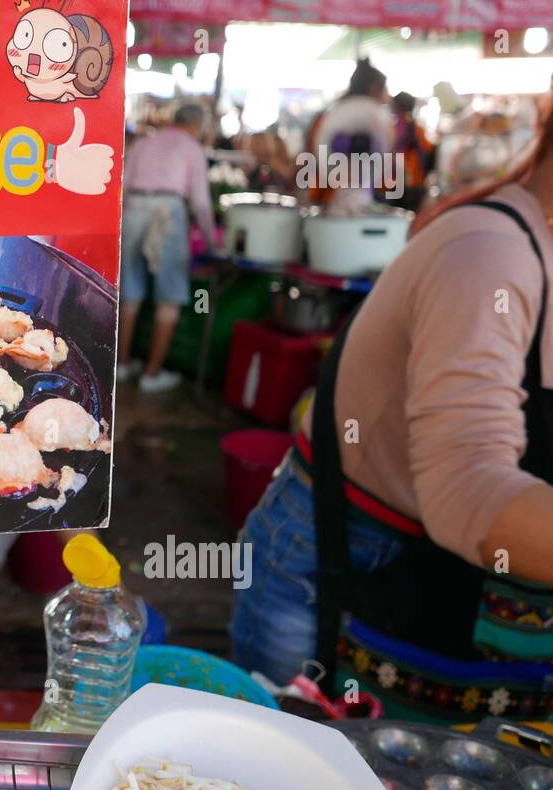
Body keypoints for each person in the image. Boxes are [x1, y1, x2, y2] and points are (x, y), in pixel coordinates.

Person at [230, 109, 553, 725]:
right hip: (344, 563)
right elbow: (468, 490)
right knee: (292, 753)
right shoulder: (486, 254)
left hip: (434, 589)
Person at [116, 104, 215, 394]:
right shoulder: (192, 148)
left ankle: (120, 366)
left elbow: (122, 184)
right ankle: (152, 374)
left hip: (133, 209)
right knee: (168, 296)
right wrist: (212, 242)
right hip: (168, 212)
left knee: (130, 293)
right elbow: (200, 202)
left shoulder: (144, 142)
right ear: (196, 124)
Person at [307, 58, 395, 209]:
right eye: (385, 90)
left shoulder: (336, 109)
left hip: (330, 188)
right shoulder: (373, 110)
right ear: (374, 88)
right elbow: (388, 144)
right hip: (354, 189)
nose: (388, 96)